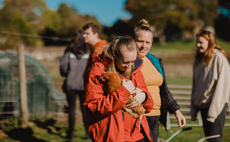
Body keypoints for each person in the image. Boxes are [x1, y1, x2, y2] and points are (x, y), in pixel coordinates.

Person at [84, 37, 154, 142]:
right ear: (115, 56)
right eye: (126, 62)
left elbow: (149, 106)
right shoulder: (98, 70)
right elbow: (94, 106)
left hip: (137, 134)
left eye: (133, 61)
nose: (130, 66)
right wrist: (124, 91)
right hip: (112, 135)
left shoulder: (135, 69)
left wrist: (144, 97)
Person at [134, 19, 186, 142]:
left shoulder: (156, 62)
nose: (143, 45)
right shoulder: (128, 63)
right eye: (140, 41)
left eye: (147, 42)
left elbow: (164, 90)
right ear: (133, 41)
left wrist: (176, 110)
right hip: (137, 118)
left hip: (155, 118)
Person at [191, 29, 230, 142]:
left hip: (216, 106)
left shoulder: (219, 58)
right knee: (209, 139)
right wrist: (194, 107)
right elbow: (195, 84)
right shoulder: (198, 59)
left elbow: (223, 87)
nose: (198, 45)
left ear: (210, 42)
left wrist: (213, 111)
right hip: (203, 106)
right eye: (197, 42)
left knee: (215, 139)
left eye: (201, 42)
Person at [59, 30, 91, 140]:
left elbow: (63, 70)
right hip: (84, 85)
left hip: (71, 85)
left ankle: (70, 135)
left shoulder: (68, 52)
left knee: (71, 110)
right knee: (85, 110)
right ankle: (88, 134)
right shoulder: (89, 52)